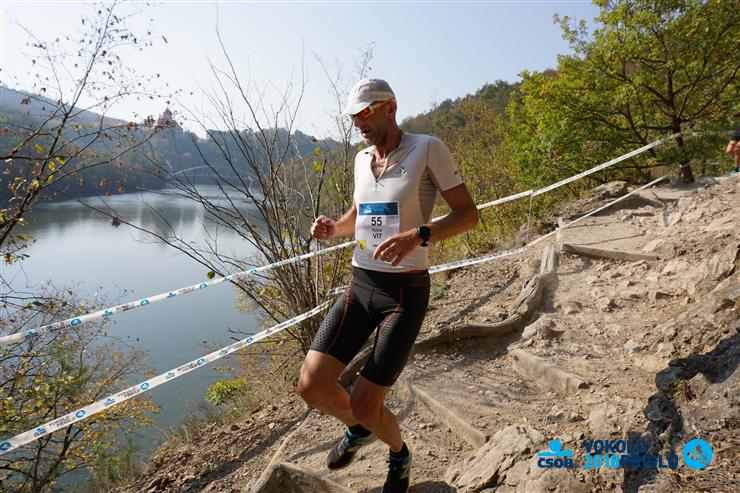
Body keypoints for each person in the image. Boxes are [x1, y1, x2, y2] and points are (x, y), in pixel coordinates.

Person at [297, 78, 478, 493]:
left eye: (366, 112)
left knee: (366, 402)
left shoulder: (427, 148)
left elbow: (469, 215)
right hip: (360, 284)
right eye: (353, 116)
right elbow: (358, 214)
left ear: (390, 107)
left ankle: (399, 454)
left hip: (403, 293)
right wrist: (333, 229)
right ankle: (360, 429)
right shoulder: (361, 159)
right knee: (311, 386)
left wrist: (420, 235)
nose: (358, 122)